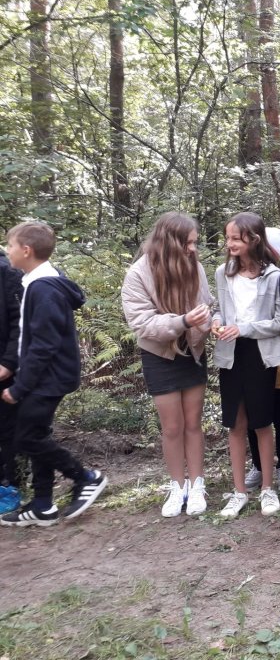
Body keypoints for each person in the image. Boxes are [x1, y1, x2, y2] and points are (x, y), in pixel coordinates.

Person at [0, 222, 107, 527]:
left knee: (27, 437)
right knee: (36, 434)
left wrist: (20, 387)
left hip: (48, 378)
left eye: (10, 245)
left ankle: (85, 477)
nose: (7, 250)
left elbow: (44, 345)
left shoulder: (44, 288)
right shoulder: (35, 282)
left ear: (26, 250)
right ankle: (43, 504)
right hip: (42, 376)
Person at [122, 212, 212, 518]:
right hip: (159, 355)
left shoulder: (194, 266)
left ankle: (197, 484)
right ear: (170, 242)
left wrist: (211, 323)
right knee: (172, 427)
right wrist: (183, 320)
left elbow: (207, 306)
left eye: (195, 243)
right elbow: (142, 323)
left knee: (193, 423)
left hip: (193, 352)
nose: (193, 249)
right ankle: (177, 486)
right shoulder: (138, 273)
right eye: (189, 243)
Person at [211, 213, 280, 518]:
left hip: (261, 355)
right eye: (227, 238)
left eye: (235, 238)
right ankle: (239, 491)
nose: (229, 244)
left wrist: (243, 328)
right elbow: (218, 308)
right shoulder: (222, 273)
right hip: (230, 354)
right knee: (236, 423)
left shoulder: (274, 276)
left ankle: (268, 488)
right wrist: (216, 321)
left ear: (254, 240)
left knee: (262, 422)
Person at [244, 227, 280, 493]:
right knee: (254, 416)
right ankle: (258, 465)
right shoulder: (243, 277)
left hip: (279, 359)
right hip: (250, 359)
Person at [0, 244, 23, 514]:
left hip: (6, 371)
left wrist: (8, 363)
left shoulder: (8, 273)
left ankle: (10, 486)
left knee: (8, 430)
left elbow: (21, 323)